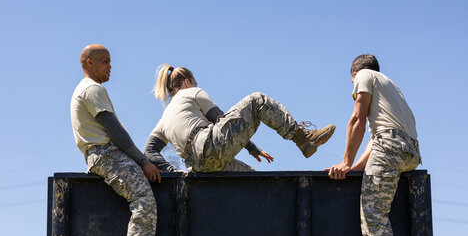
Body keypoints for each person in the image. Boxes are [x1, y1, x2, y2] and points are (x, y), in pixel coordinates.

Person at [326, 54, 421, 236]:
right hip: (407, 150)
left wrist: (344, 162)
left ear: (354, 75)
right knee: (377, 211)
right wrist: (355, 169)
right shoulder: (391, 88)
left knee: (374, 218)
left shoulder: (364, 77)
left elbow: (357, 118)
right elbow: (378, 139)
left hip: (390, 148)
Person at [70, 44, 161, 236]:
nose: (110, 66)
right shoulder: (92, 89)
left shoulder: (87, 90)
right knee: (144, 201)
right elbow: (115, 131)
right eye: (105, 61)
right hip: (105, 153)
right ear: (89, 63)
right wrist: (143, 161)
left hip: (101, 153)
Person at [144, 64, 336, 173]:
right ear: (188, 82)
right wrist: (253, 148)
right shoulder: (193, 92)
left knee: (248, 177)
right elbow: (220, 119)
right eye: (194, 81)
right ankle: (304, 139)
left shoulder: (163, 119)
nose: (196, 84)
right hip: (208, 146)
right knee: (257, 100)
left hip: (196, 166)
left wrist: (173, 173)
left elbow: (150, 151)